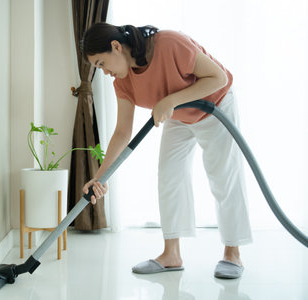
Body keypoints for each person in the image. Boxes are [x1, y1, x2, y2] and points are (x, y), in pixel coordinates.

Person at [81, 22, 253, 279]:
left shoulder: (169, 43)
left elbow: (219, 78)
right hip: (179, 116)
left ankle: (232, 253)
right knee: (169, 176)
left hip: (215, 107)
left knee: (222, 176)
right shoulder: (123, 82)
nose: (104, 73)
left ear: (116, 47)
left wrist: (170, 100)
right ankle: (171, 254)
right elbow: (122, 132)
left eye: (101, 64)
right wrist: (100, 177)